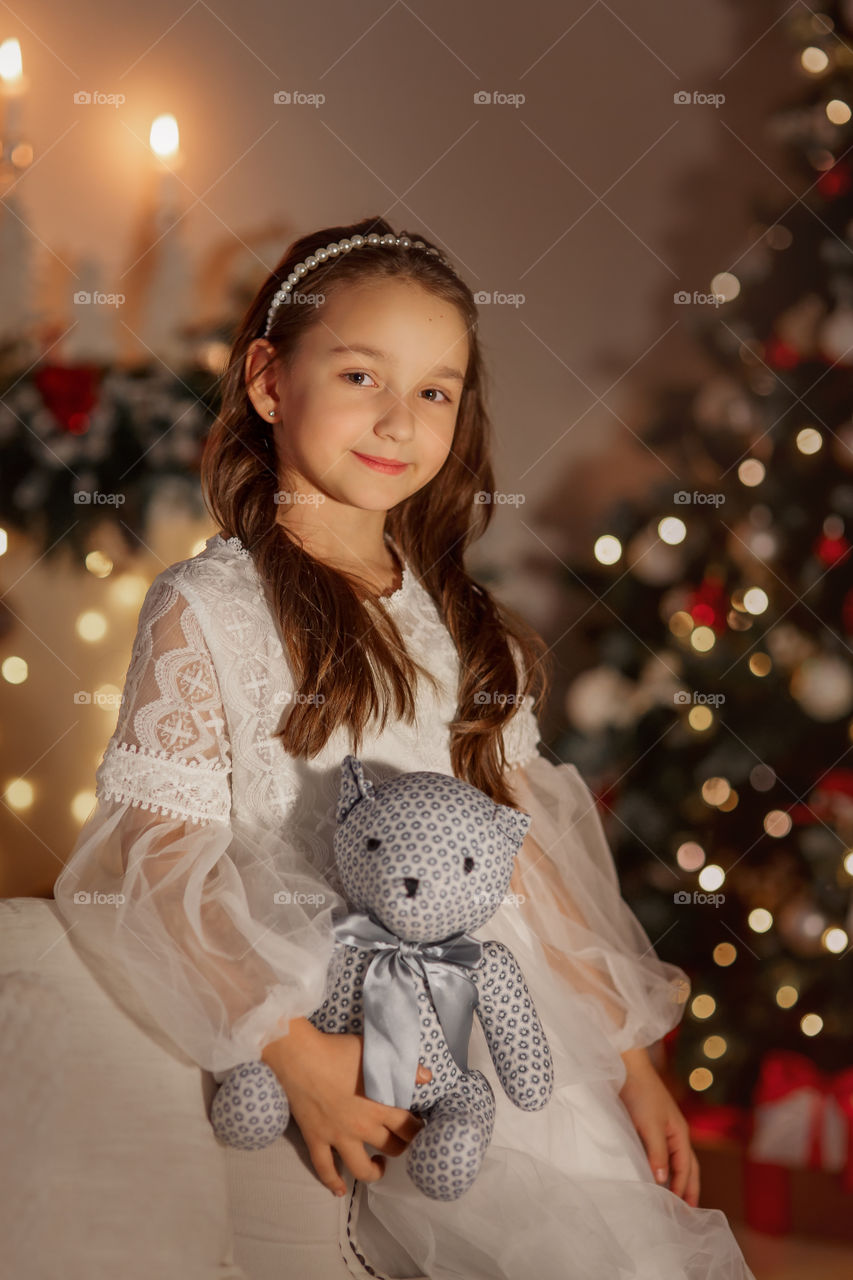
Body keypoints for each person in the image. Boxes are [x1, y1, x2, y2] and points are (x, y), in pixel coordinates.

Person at [54, 216, 755, 1279]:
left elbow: (531, 860)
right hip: (337, 998)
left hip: (510, 1012)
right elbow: (150, 854)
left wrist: (627, 1061)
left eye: (435, 389)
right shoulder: (209, 608)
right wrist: (286, 1043)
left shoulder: (464, 620)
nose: (398, 419)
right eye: (359, 374)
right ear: (267, 380)